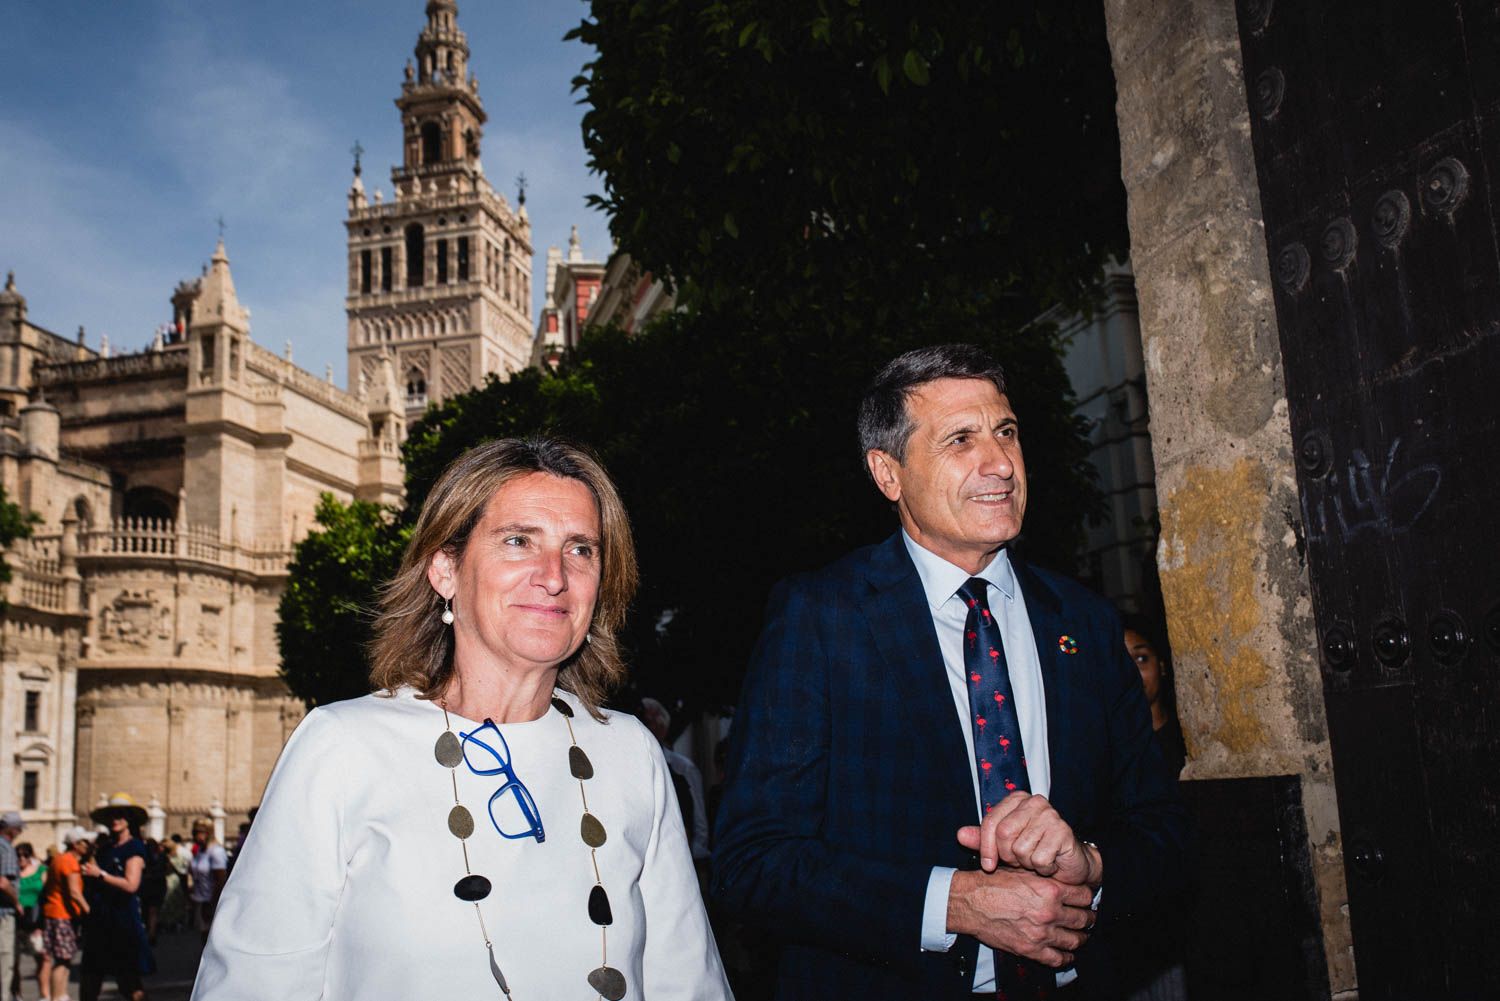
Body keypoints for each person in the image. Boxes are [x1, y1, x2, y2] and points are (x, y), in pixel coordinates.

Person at [714, 344, 1188, 999]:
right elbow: (754, 861)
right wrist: (954, 903)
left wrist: (1092, 864)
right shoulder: (821, 618)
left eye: (1007, 433)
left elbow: (1163, 829)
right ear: (889, 472)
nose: (999, 463)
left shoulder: (1084, 620)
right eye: (960, 439)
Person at [192, 436, 730, 1000]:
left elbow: (686, 979)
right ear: (445, 569)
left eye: (580, 549)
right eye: (519, 541)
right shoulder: (343, 747)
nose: (554, 576)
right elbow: (253, 983)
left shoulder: (629, 752)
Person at [81, 794, 155, 1001]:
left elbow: (131, 885)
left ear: (129, 820)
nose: (115, 820)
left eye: (120, 815)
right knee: (90, 978)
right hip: (101, 919)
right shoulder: (105, 849)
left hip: (122, 920)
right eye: (112, 816)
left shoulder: (135, 848)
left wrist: (101, 875)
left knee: (129, 982)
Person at [639, 697, 711, 869]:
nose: (646, 729)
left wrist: (693, 858)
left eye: (649, 723)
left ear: (662, 729)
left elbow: (699, 819)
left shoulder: (683, 768)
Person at [1122, 617, 1186, 780]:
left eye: (1141, 659)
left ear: (1161, 666)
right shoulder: (1103, 749)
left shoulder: (1186, 742)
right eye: (1119, 662)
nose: (1131, 673)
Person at [39, 828, 91, 1001]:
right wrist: (88, 911)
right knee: (62, 961)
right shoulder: (69, 862)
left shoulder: (59, 859)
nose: (88, 845)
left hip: (55, 912)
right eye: (85, 842)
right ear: (76, 845)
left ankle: (61, 995)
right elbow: (75, 892)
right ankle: (57, 996)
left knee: (64, 959)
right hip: (62, 914)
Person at [184, 821, 226, 943]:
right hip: (199, 900)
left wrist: (211, 903)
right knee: (203, 938)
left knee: (210, 939)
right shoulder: (200, 852)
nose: (195, 836)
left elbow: (221, 880)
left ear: (208, 833)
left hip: (210, 902)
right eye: (194, 832)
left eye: (199, 832)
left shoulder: (216, 852)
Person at [16, 840, 45, 998]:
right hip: (16, 921)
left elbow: (46, 895)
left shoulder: (41, 870)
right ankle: (17, 995)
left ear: (30, 855)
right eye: (18, 855)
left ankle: (44, 993)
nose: (21, 858)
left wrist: (43, 923)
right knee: (14, 962)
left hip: (36, 921)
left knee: (42, 958)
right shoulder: (12, 873)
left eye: (25, 855)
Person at [0, 811, 23, 1001]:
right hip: (3, 913)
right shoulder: (6, 849)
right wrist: (17, 902)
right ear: (13, 830)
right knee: (4, 960)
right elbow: (4, 883)